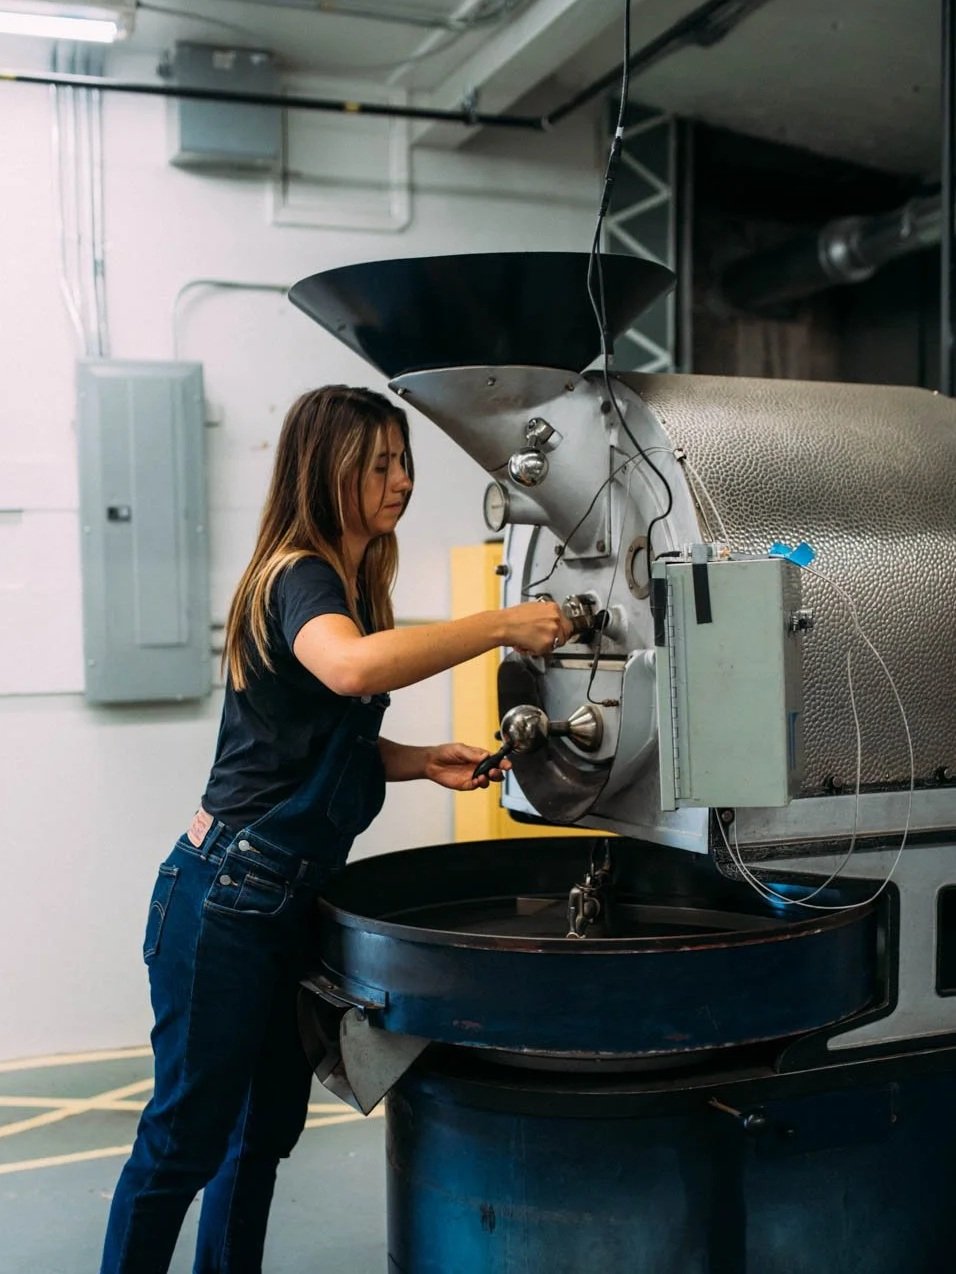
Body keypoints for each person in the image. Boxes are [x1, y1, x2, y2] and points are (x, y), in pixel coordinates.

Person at [100, 384, 571, 1274]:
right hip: (225, 899)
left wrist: (420, 758)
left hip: (278, 899)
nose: (401, 481)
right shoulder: (300, 576)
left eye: (405, 462)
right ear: (328, 471)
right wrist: (504, 623)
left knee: (262, 1132)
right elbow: (352, 671)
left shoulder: (348, 582)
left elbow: (309, 741)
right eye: (380, 464)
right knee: (184, 1142)